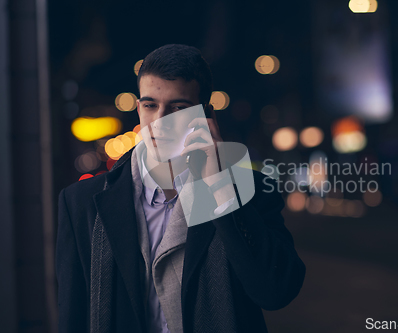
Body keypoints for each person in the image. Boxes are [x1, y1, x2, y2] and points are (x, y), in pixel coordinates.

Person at [56, 44, 306, 333]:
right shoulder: (81, 203)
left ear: (205, 116)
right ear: (139, 109)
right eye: (151, 105)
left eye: (178, 108)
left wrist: (220, 186)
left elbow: (276, 292)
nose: (160, 122)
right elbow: (73, 317)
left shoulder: (252, 190)